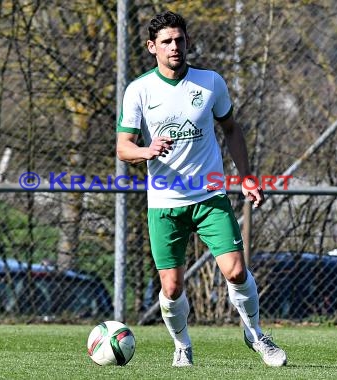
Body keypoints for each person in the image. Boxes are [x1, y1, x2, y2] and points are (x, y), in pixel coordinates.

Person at [116, 10, 287, 368]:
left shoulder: (210, 82)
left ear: (187, 41)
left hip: (210, 196)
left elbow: (231, 129)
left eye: (179, 39)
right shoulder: (139, 90)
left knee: (236, 272)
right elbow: (123, 147)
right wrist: (146, 150)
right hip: (164, 202)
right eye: (166, 42)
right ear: (152, 47)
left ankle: (255, 334)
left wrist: (246, 177)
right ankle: (182, 346)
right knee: (172, 288)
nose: (174, 46)